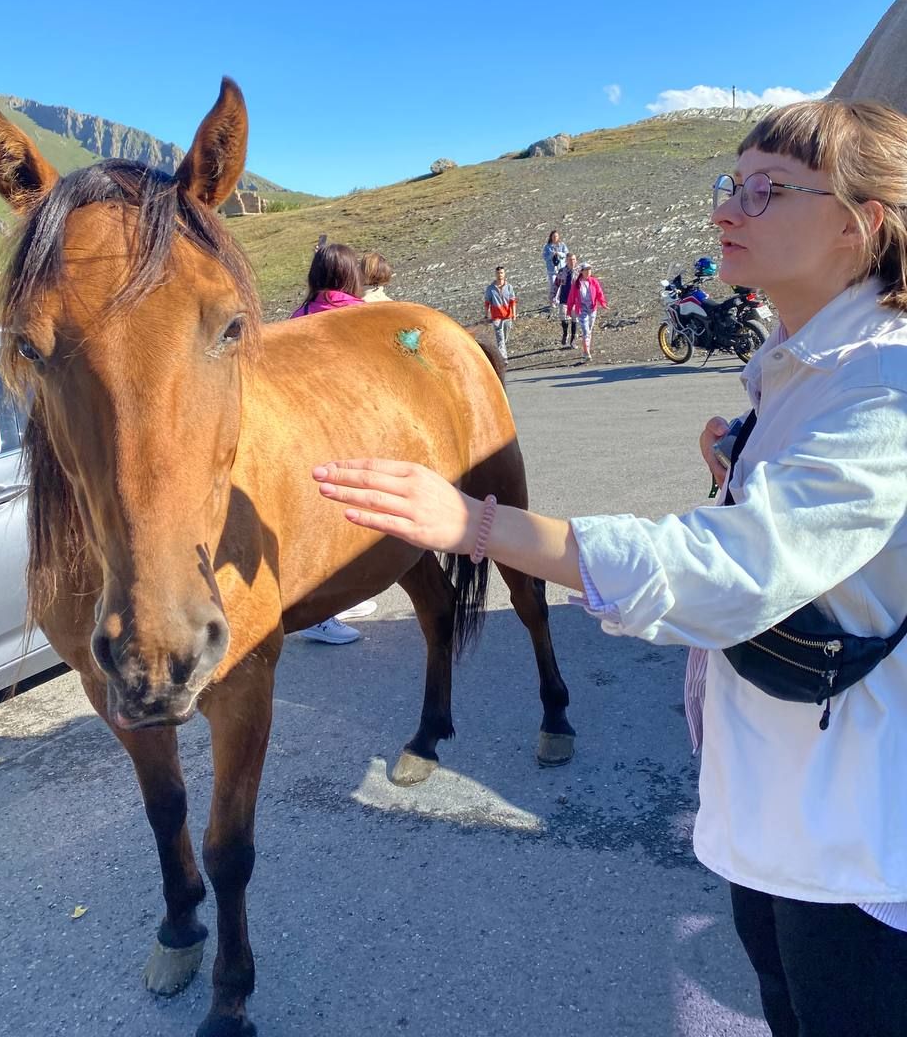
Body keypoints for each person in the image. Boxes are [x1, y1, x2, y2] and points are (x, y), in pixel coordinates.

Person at [312, 100, 907, 1035]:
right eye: (730, 185)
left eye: (766, 191)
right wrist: (743, 464)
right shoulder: (804, 369)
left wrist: (477, 523)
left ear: (859, 223)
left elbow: (733, 569)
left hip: (854, 840)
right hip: (775, 815)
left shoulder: (886, 384)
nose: (727, 213)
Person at [290, 242, 376, 641]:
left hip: (307, 436)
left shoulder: (299, 315)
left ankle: (339, 599)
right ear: (349, 276)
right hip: (350, 433)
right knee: (346, 524)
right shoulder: (359, 315)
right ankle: (320, 615)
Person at [566, 261, 607, 362]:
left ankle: (587, 348)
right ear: (582, 272)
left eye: (590, 270)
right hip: (581, 309)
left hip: (592, 309)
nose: (588, 272)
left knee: (589, 330)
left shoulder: (594, 281)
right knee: (585, 331)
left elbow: (599, 293)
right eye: (586, 270)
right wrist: (569, 310)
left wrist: (603, 303)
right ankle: (586, 352)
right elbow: (571, 298)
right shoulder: (576, 284)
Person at [484, 265, 517, 361]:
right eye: (498, 273)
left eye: (501, 273)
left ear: (504, 274)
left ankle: (501, 350)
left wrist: (514, 313)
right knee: (500, 338)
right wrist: (486, 315)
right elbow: (487, 302)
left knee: (505, 337)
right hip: (496, 317)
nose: (500, 275)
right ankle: (504, 359)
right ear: (495, 274)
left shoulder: (509, 287)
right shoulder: (490, 288)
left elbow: (513, 301)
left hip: (507, 316)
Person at [553, 252, 579, 348]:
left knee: (574, 320)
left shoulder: (579, 272)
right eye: (570, 260)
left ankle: (573, 340)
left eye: (573, 259)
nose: (572, 262)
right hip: (564, 298)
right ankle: (565, 333)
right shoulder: (562, 272)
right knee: (563, 318)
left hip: (575, 300)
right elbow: (556, 284)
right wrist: (552, 296)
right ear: (566, 261)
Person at [541, 230, 569, 309]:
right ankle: (552, 301)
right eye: (553, 236)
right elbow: (545, 257)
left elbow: (566, 254)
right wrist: (551, 255)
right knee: (553, 285)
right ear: (551, 237)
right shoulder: (547, 247)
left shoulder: (562, 245)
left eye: (556, 236)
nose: (555, 238)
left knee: (561, 285)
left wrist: (559, 253)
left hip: (561, 269)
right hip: (552, 270)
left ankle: (560, 300)